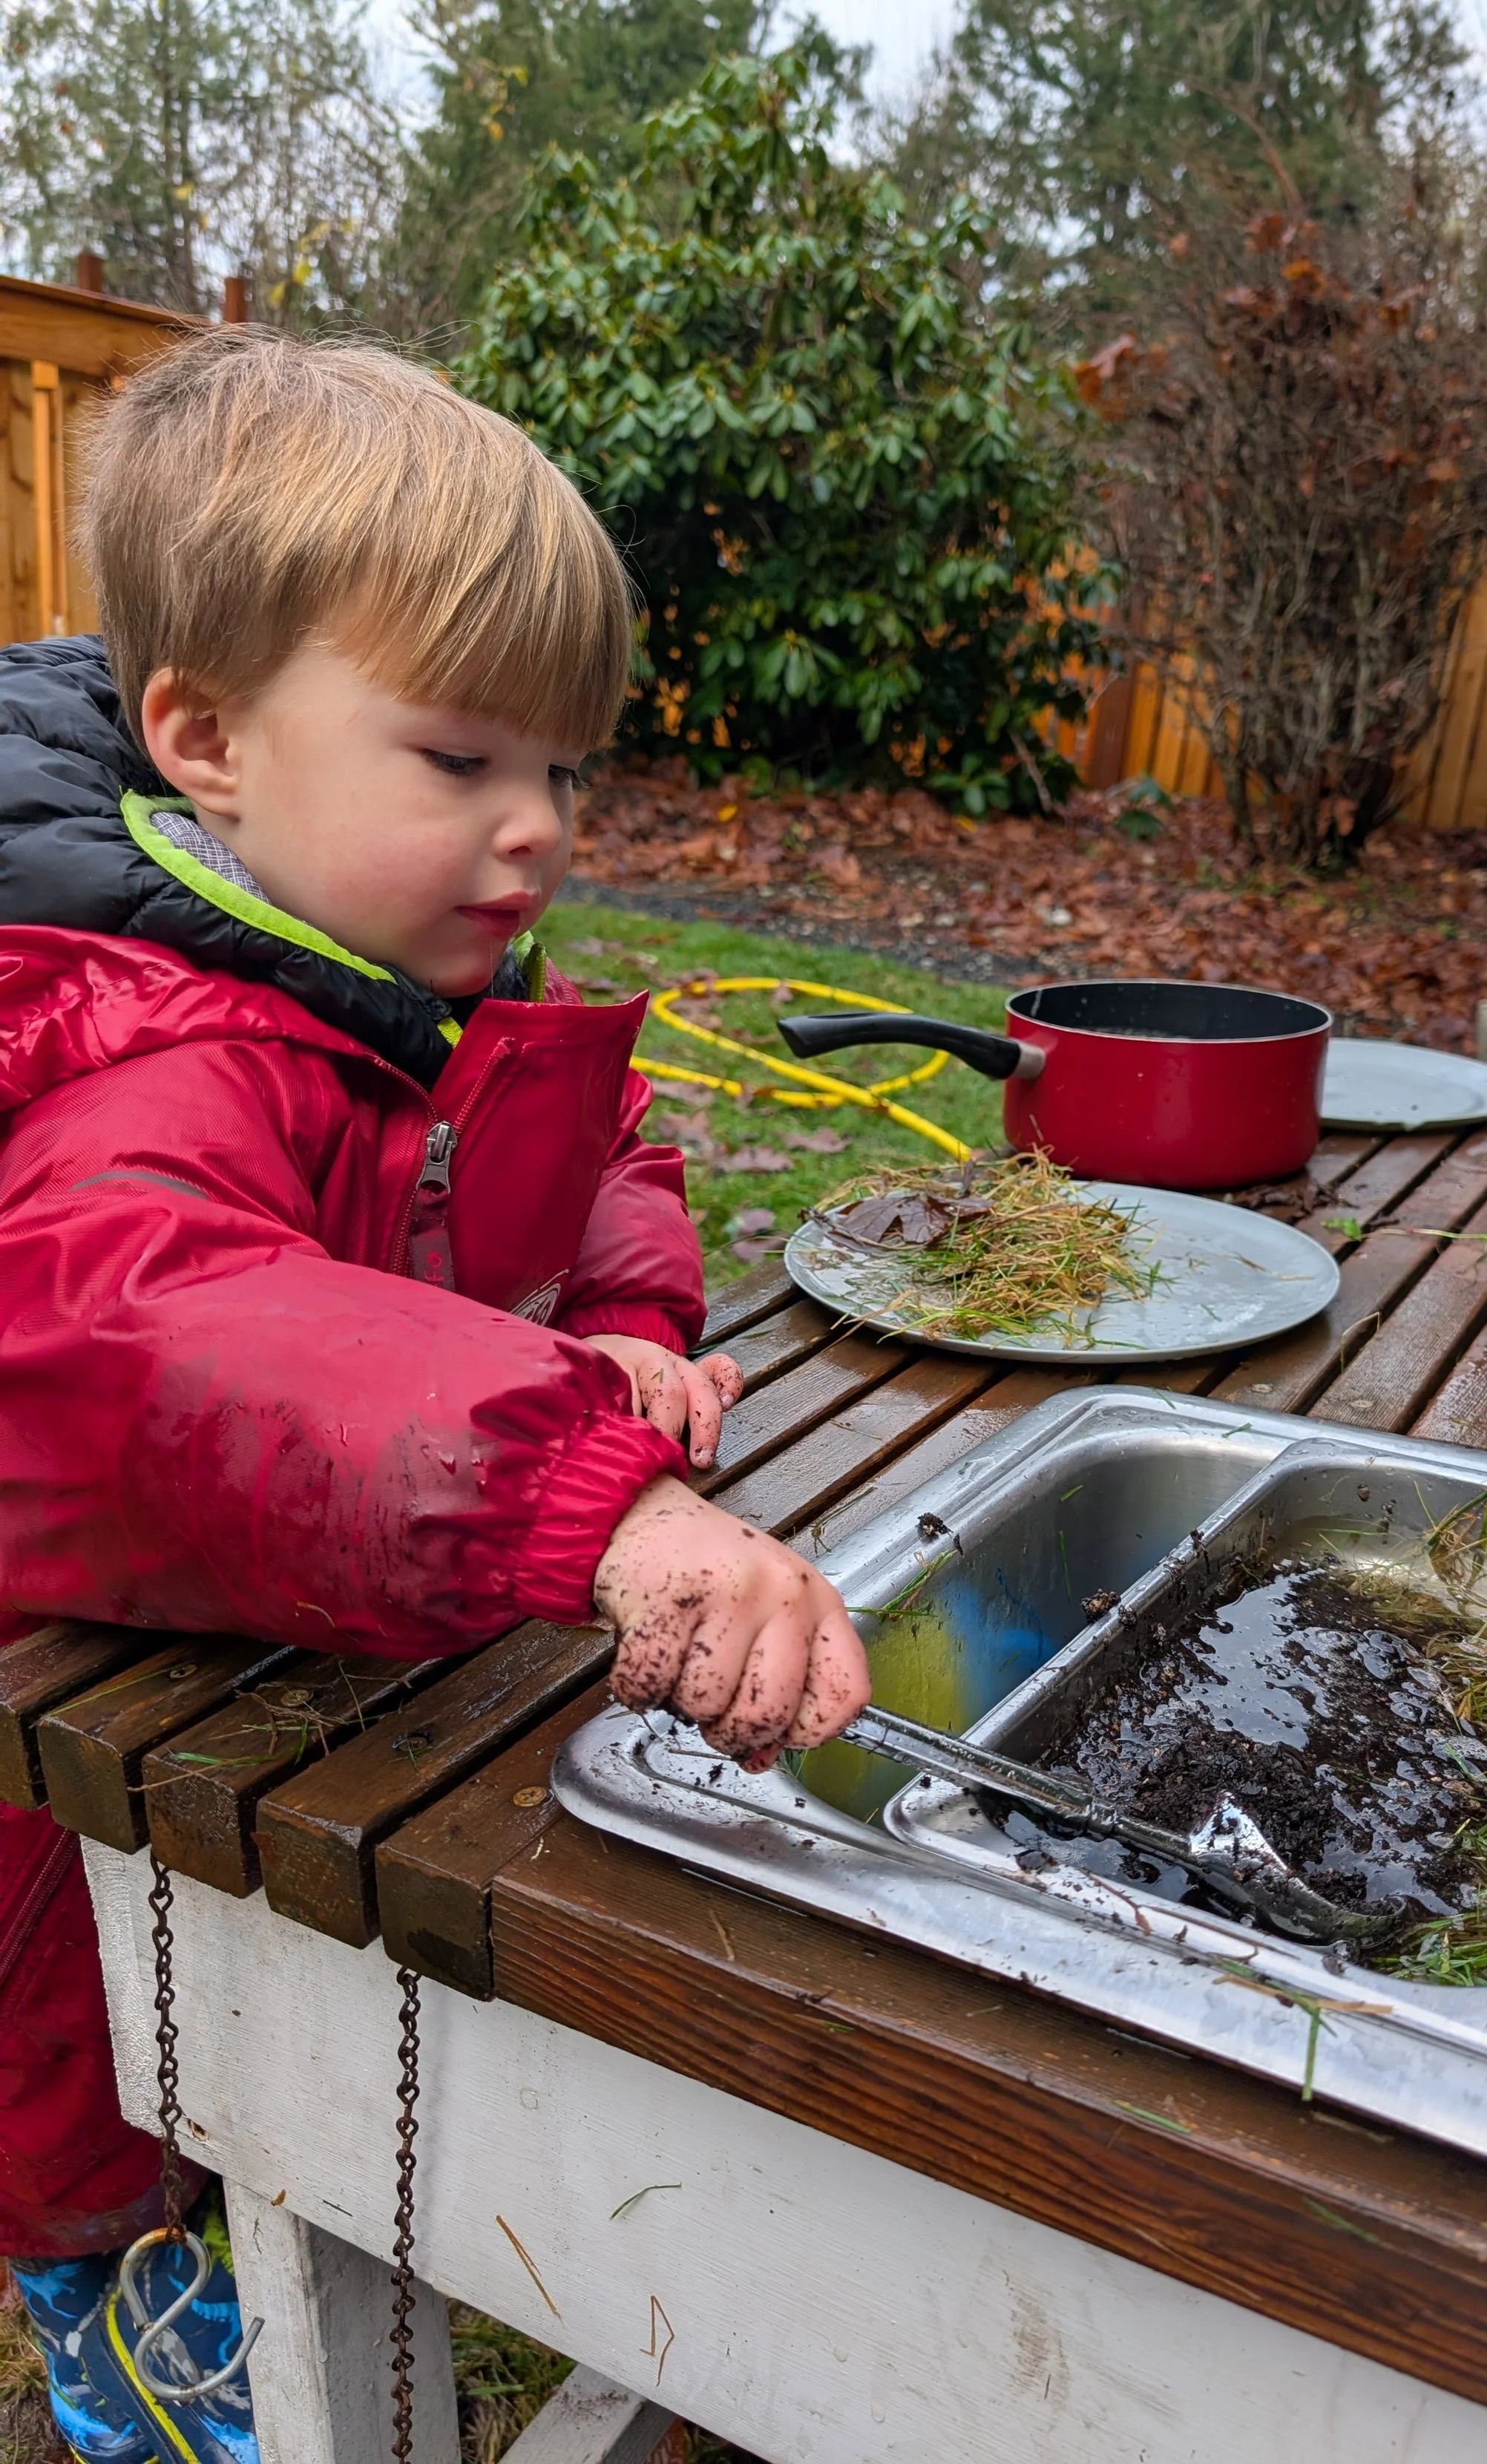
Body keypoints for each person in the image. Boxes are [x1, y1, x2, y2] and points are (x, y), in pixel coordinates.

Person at [0, 328, 870, 2463]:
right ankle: (117, 2319)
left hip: (314, 1677)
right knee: (101, 2105)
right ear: (204, 737)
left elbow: (609, 1147)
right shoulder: (139, 1046)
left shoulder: (409, 976)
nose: (538, 831)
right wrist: (590, 1492)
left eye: (564, 771)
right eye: (463, 759)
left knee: (300, 2019)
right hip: (72, 1770)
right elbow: (164, 1325)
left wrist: (626, 1311)